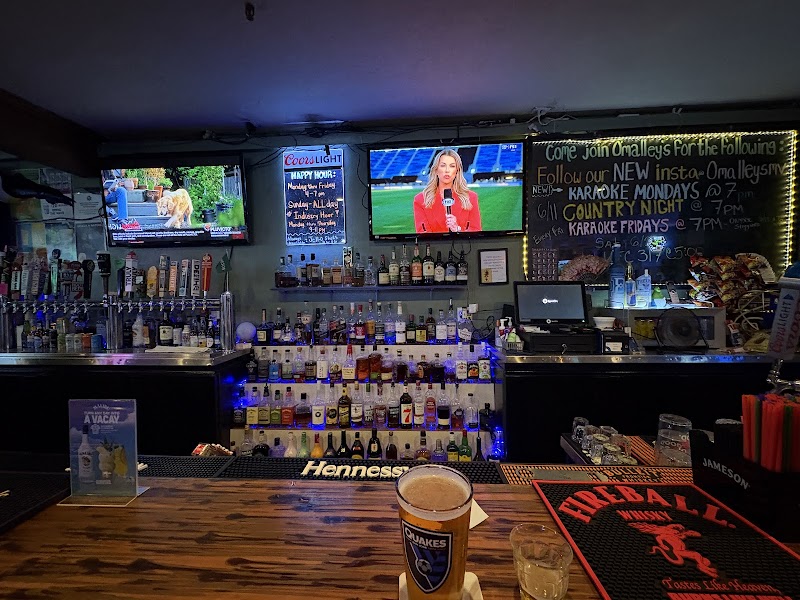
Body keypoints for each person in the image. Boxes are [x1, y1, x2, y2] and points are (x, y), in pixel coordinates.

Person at [413, 149, 482, 233]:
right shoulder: (420, 200)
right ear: (436, 169)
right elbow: (423, 235)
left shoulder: (471, 197)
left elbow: (476, 232)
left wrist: (458, 230)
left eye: (452, 166)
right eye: (443, 165)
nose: (447, 170)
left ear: (457, 171)